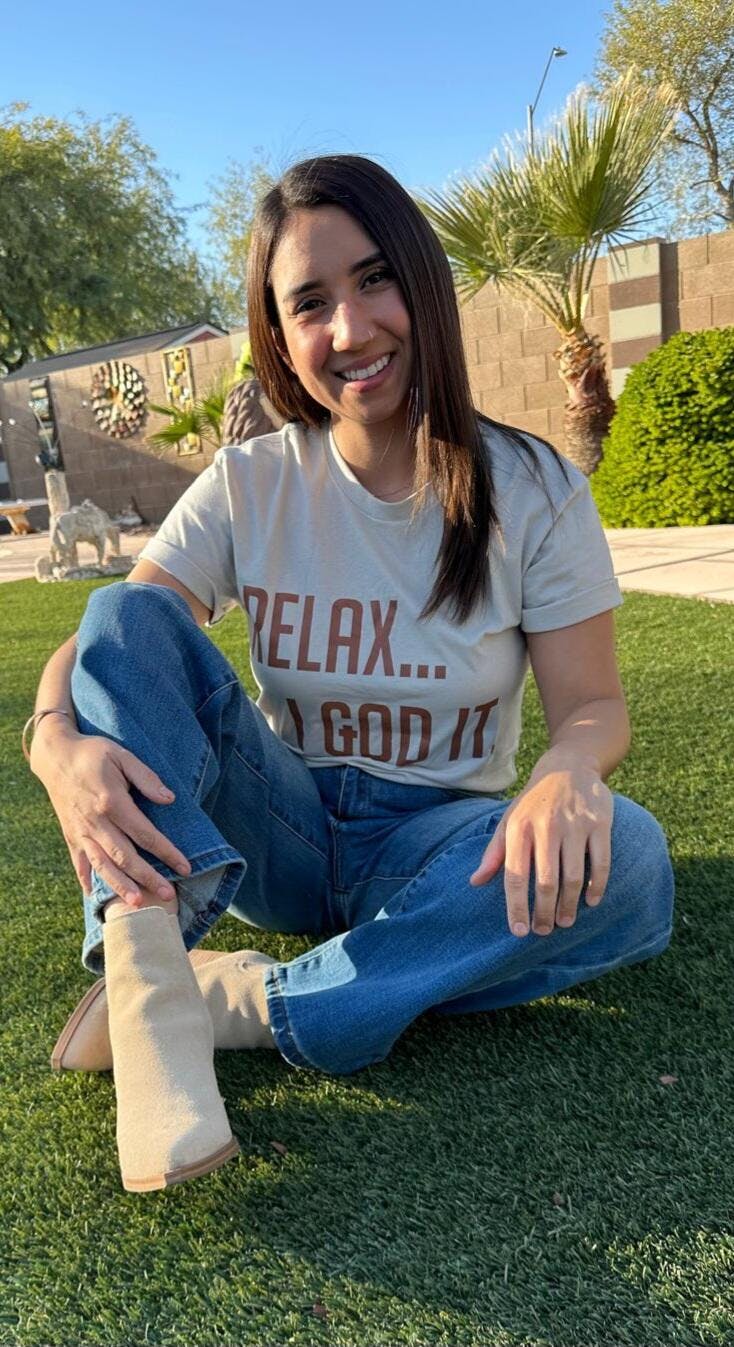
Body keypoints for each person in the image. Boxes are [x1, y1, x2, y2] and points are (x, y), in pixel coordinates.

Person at [27, 154, 674, 1194]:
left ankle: (243, 1002)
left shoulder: (532, 489)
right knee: (125, 609)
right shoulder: (252, 480)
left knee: (630, 862)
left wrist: (567, 771)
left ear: (422, 283)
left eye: (375, 280)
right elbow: (118, 637)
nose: (351, 328)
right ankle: (150, 991)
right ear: (279, 335)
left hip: (434, 839)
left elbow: (593, 706)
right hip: (275, 826)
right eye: (310, 303)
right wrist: (53, 741)